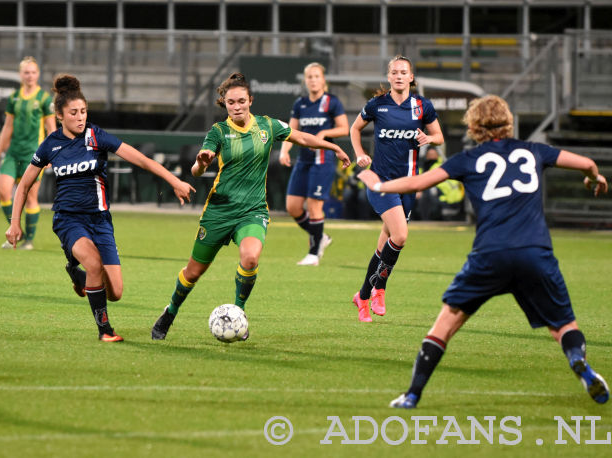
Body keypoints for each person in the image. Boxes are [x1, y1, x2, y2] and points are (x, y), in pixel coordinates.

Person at [357, 95, 609, 408]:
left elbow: (417, 183)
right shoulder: (534, 151)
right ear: (509, 122)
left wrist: (378, 185)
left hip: (490, 255)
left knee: (445, 325)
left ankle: (412, 395)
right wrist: (594, 179)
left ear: (474, 126)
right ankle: (578, 361)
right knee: (563, 326)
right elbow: (586, 164)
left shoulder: (468, 159)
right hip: (535, 252)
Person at [151, 72, 351, 340]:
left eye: (241, 101)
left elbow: (302, 137)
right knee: (193, 272)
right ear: (225, 103)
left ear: (250, 100)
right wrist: (202, 162)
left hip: (252, 210)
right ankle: (171, 311)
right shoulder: (219, 131)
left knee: (250, 258)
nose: (236, 107)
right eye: (231, 102)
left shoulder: (268, 126)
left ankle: (239, 313)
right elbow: (196, 171)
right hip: (219, 211)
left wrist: (333, 148)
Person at [5, 74, 194, 342]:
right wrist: (14, 224)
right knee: (94, 263)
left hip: (101, 221)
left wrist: (174, 180)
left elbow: (140, 160)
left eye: (83, 111)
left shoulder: (96, 136)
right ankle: (105, 331)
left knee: (115, 292)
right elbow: (23, 186)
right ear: (60, 115)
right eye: (73, 113)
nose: (80, 117)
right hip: (68, 220)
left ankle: (78, 276)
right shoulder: (50, 145)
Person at [349, 55, 444, 322]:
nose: (399, 76)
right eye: (395, 72)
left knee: (385, 248)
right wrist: (359, 155)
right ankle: (380, 288)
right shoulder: (377, 105)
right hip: (382, 184)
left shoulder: (422, 106)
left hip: (409, 185)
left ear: (411, 77)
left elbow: (439, 136)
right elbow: (355, 129)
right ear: (389, 77)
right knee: (400, 236)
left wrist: (429, 138)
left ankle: (363, 295)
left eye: (404, 72)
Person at [279, 62, 349, 266]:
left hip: (323, 160)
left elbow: (344, 128)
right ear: (305, 80)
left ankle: (313, 253)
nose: (313, 80)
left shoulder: (332, 102)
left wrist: (324, 133)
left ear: (323, 79)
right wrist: (284, 150)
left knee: (314, 206)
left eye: (317, 76)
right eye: (309, 77)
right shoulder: (300, 104)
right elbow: (290, 131)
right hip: (304, 160)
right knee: (292, 207)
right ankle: (321, 237)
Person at [0, 57, 56, 250]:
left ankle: (29, 240)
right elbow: (8, 127)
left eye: (33, 72)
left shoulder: (44, 98)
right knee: (3, 191)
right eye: (26, 72)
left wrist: (51, 154)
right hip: (13, 153)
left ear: (38, 74)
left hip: (33, 154)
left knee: (30, 197)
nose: (30, 76)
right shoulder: (14, 98)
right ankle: (17, 232)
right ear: (21, 75)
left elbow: (51, 128)